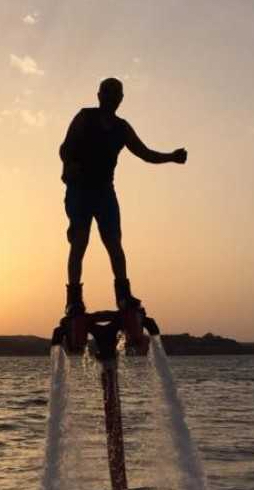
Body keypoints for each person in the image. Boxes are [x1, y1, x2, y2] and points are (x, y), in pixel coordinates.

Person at [59, 77, 188, 315]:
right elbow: (64, 148)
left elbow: (145, 153)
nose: (111, 98)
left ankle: (124, 296)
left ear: (121, 99)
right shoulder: (84, 117)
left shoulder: (122, 128)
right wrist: (70, 165)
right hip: (79, 190)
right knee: (79, 242)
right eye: (107, 93)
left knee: (114, 243)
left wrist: (171, 157)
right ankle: (73, 300)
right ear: (99, 95)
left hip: (104, 191)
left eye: (115, 94)